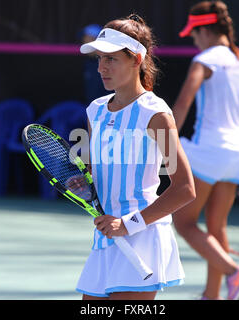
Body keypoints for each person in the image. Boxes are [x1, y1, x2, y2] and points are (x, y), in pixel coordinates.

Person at [76, 14, 196, 300]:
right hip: (106, 239)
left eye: (112, 59)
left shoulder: (155, 114)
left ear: (136, 59)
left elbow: (184, 188)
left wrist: (128, 224)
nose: (102, 68)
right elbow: (96, 171)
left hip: (141, 238)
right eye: (99, 60)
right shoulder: (96, 110)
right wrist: (83, 182)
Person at [172, 1, 239, 300]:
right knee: (215, 226)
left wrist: (163, 144)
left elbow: (183, 104)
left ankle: (234, 272)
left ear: (206, 30)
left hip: (210, 152)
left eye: (195, 34)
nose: (194, 40)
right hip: (238, 156)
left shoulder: (205, 59)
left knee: (183, 222)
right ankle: (213, 295)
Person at [80, 24, 111, 104]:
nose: (85, 41)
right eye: (85, 39)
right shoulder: (85, 63)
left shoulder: (110, 64)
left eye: (89, 39)